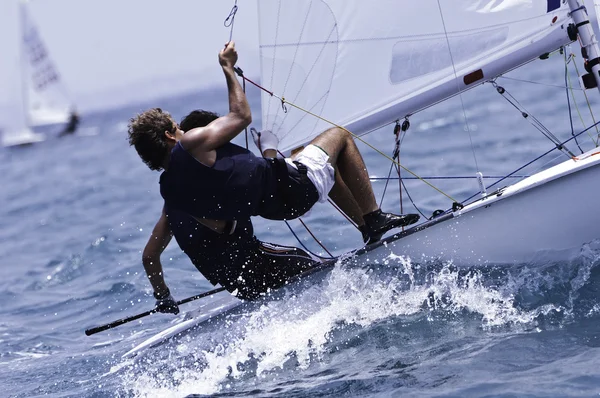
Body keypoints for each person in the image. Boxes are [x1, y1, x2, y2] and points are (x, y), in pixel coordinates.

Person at [128, 41, 419, 248]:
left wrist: (262, 162)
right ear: (169, 135)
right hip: (292, 189)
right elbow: (241, 116)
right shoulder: (188, 144)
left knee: (303, 156)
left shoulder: (171, 191)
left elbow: (221, 225)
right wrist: (228, 68)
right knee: (339, 135)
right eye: (177, 128)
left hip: (277, 208)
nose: (183, 131)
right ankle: (373, 216)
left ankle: (368, 230)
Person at [142, 111, 319, 314]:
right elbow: (228, 223)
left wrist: (163, 296)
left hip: (237, 287)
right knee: (305, 261)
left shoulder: (171, 204)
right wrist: (269, 150)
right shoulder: (210, 189)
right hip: (258, 265)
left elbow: (149, 257)